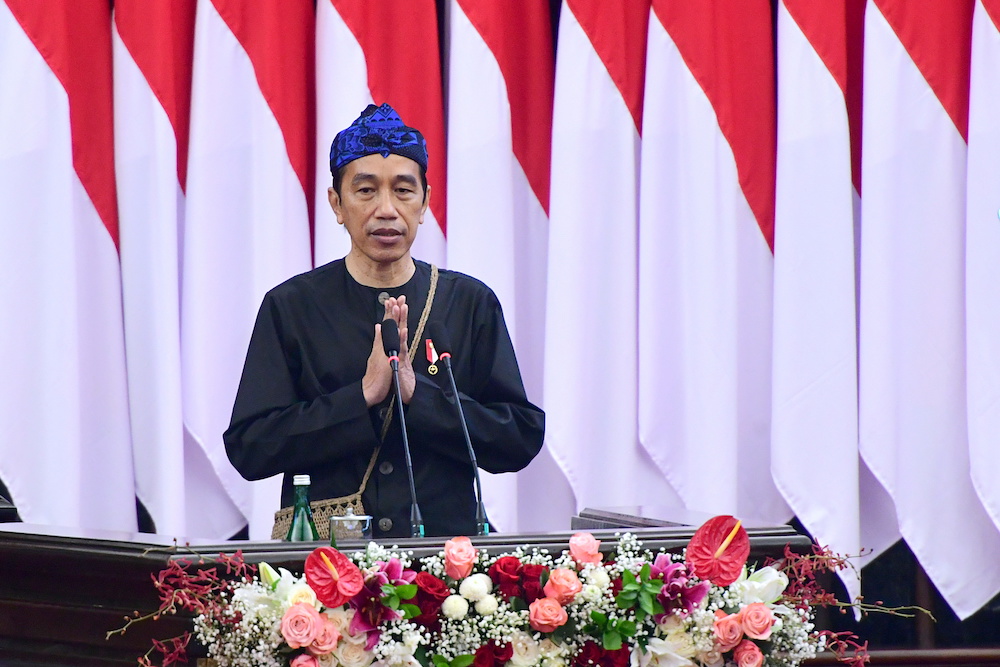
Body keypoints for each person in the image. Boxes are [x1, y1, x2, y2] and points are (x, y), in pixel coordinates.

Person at [224, 103, 544, 539]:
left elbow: (518, 438)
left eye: (404, 191)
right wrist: (362, 396)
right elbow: (250, 448)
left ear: (425, 202)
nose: (387, 209)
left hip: (446, 567)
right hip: (327, 567)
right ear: (337, 203)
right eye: (367, 191)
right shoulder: (291, 307)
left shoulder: (469, 303)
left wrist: (420, 397)